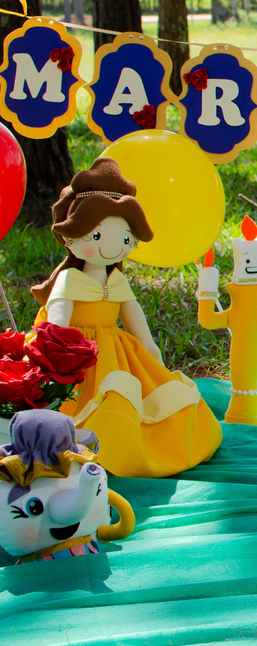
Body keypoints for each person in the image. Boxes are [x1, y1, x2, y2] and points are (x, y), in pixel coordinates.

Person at [29, 158, 223, 478]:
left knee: (139, 395)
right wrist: (53, 350)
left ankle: (143, 445)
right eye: (96, 236)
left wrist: (150, 350)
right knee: (90, 402)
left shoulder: (116, 281)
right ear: (70, 236)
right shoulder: (69, 279)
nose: (113, 248)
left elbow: (135, 320)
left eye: (125, 239)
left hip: (116, 354)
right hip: (74, 354)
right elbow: (56, 321)